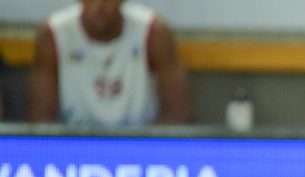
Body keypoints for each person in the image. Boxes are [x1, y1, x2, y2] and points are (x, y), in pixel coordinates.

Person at [29, 0, 191, 126]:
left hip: (140, 148)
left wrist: (145, 150)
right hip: (75, 149)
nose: (98, 6)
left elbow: (177, 113)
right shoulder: (53, 35)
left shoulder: (153, 33)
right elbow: (41, 120)